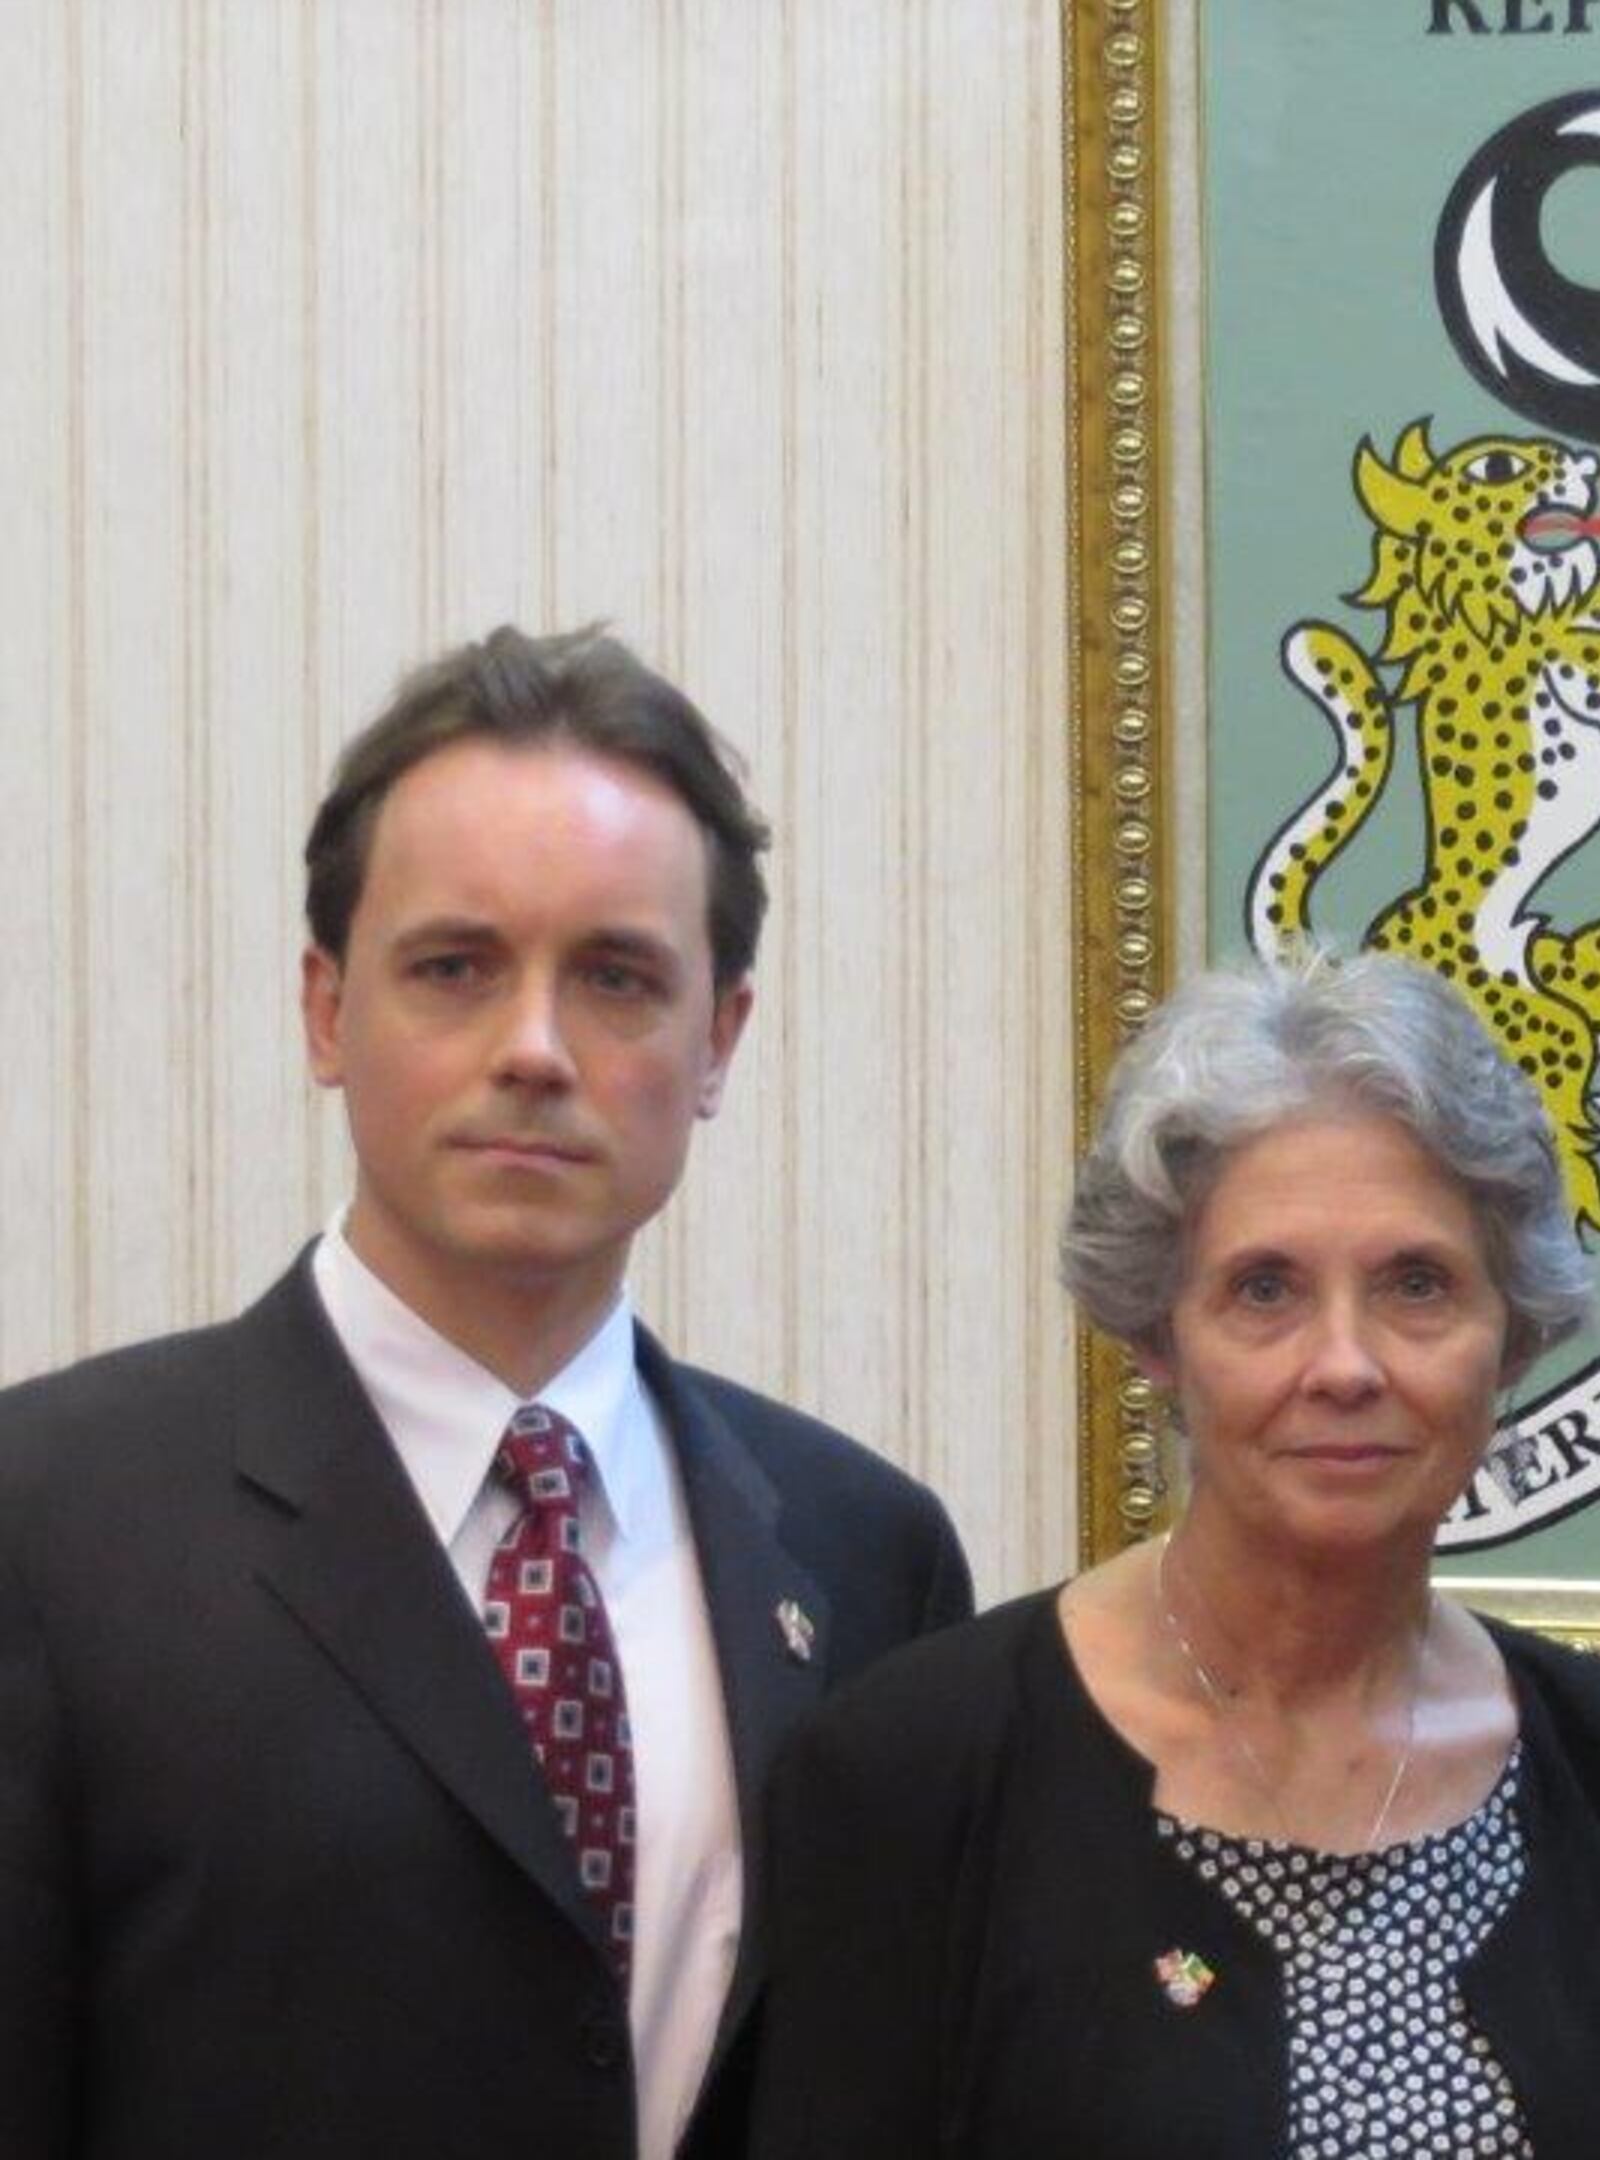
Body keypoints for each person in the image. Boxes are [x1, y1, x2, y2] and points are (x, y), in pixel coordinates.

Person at [0, 625, 975, 2160]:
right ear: (327, 1012)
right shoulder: (46, 1526)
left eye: (616, 978)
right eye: (455, 969)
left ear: (719, 1038)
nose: (532, 1050)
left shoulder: (868, 1557)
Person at [744, 944, 1600, 2158]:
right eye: (1265, 1290)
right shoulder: (914, 1774)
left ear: (1515, 1337)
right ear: (1158, 1337)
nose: (1346, 1365)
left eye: (1418, 1286)